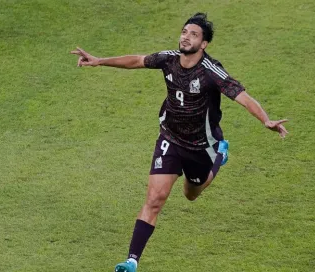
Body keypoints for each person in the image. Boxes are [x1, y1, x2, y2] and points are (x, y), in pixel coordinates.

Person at [71, 12, 288, 272]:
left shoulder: (211, 71)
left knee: (191, 194)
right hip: (170, 138)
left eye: (193, 34)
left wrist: (265, 120)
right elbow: (137, 61)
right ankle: (131, 261)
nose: (186, 37)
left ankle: (220, 154)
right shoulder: (169, 59)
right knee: (155, 199)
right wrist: (99, 61)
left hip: (201, 147)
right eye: (185, 32)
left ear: (204, 44)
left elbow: (241, 96)